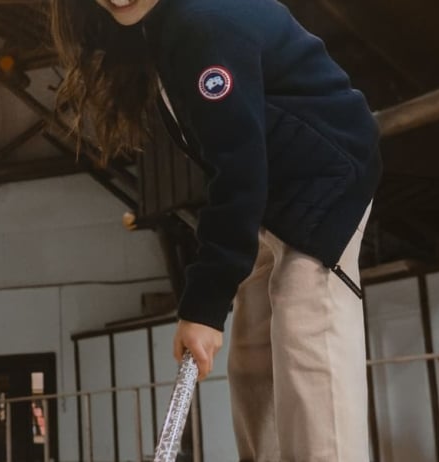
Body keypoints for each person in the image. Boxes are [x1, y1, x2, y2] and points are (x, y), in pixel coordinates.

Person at [51, 0, 382, 460]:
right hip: (274, 200)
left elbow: (239, 171)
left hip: (323, 186)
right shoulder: (161, 26)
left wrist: (204, 307)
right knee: (251, 361)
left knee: (308, 340)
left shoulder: (203, 20)